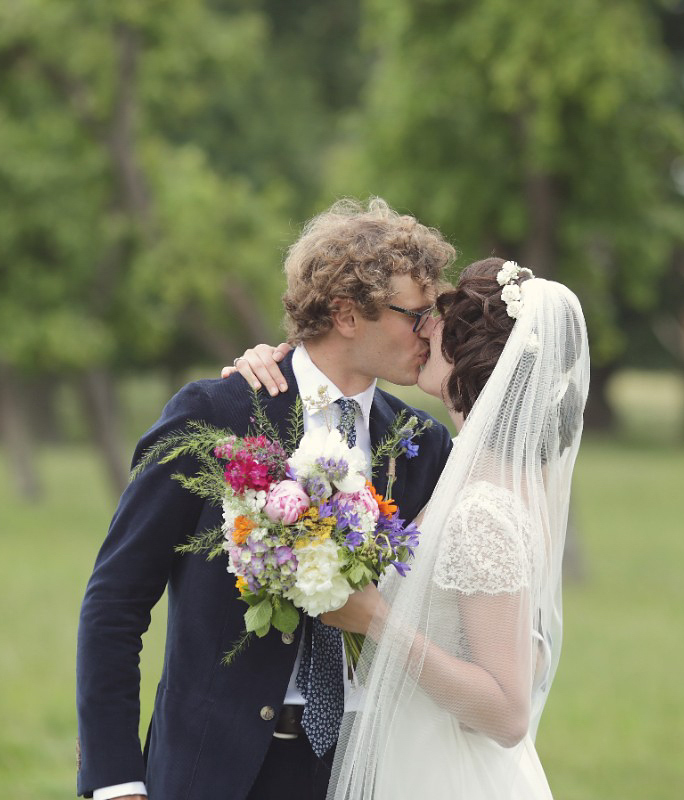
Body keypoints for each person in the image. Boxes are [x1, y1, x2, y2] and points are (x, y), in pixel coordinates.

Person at [75, 198, 456, 800]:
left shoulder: (422, 444)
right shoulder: (216, 415)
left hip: (362, 770)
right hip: (215, 770)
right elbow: (115, 602)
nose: (430, 330)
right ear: (346, 313)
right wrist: (116, 780)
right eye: (416, 315)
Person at [230, 257, 590, 798]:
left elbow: (508, 712)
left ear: (469, 351)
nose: (421, 330)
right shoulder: (469, 471)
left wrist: (377, 620)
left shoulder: (481, 508)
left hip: (444, 772)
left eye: (434, 319)